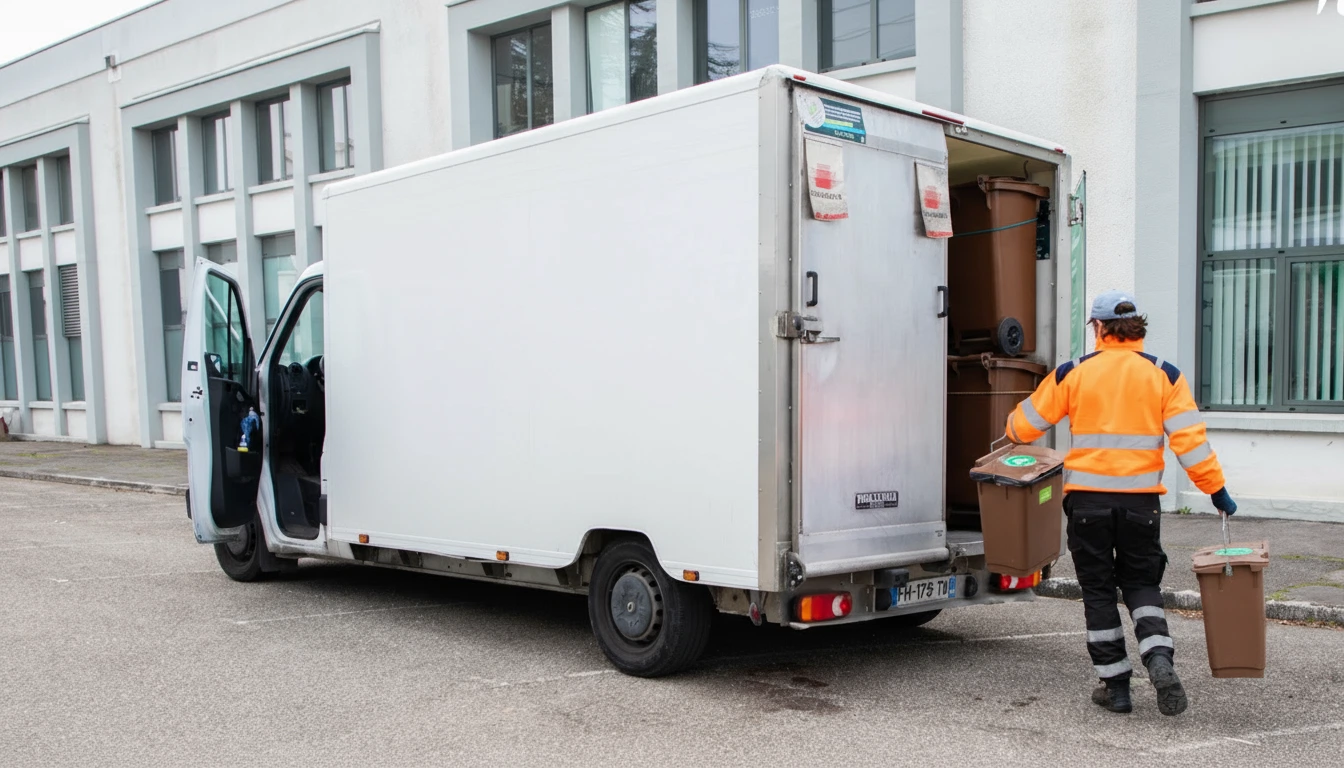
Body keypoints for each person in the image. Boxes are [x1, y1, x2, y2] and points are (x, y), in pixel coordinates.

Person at [1004, 290, 1237, 716]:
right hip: (1141, 506)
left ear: (1098, 327)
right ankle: (1159, 659)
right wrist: (1216, 490)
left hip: (1087, 505)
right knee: (1142, 585)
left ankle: (1116, 688)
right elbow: (1191, 444)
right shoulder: (1165, 375)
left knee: (1097, 592)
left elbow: (1023, 428)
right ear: (1136, 327)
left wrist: (1014, 423)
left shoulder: (1073, 372)